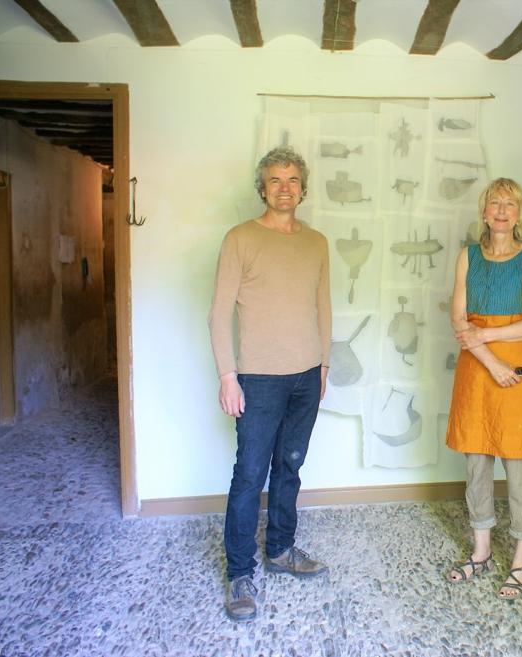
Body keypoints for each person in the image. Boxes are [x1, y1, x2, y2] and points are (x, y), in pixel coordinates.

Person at [208, 146, 332, 622]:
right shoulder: (240, 238)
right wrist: (227, 374)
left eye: (293, 179)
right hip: (257, 378)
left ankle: (280, 550)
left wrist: (323, 366)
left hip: (306, 375)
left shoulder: (316, 241)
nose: (285, 187)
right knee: (249, 475)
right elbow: (218, 313)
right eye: (276, 180)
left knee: (291, 467)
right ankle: (242, 571)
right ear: (263, 188)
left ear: (303, 188)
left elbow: (323, 306)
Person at [445, 178, 522, 601]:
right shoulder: (468, 257)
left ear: (520, 214)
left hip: (517, 369)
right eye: (495, 203)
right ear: (484, 212)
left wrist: (486, 340)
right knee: (477, 460)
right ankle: (481, 550)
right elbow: (459, 318)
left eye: (511, 204)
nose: (502, 210)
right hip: (478, 369)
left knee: (520, 460)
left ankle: (521, 556)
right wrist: (489, 358)